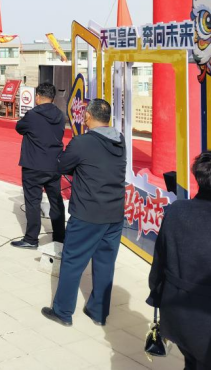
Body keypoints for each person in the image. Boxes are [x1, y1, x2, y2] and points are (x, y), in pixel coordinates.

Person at [147, 151, 211, 370]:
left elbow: (160, 261)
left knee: (191, 362)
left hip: (175, 315)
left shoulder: (176, 210)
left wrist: (156, 295)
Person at [42, 99, 126, 327]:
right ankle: (98, 312)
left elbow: (62, 166)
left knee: (72, 261)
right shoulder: (120, 140)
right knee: (105, 263)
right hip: (115, 213)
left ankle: (63, 311)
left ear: (87, 116)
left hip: (88, 213)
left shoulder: (82, 142)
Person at [11, 82, 66, 249]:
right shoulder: (60, 115)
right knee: (56, 201)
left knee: (33, 202)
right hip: (54, 164)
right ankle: (60, 236)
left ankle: (31, 239)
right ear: (53, 98)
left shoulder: (33, 114)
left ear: (38, 97)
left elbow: (19, 127)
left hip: (34, 165)